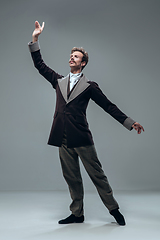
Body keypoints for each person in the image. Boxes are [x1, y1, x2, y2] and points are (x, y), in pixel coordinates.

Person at [28, 21, 144, 226]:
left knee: (97, 175)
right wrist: (35, 39)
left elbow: (109, 106)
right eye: (71, 55)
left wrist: (130, 122)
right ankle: (77, 213)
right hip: (61, 137)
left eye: (76, 56)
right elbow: (40, 65)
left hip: (81, 137)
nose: (72, 57)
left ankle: (114, 209)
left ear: (83, 63)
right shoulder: (59, 81)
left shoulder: (90, 86)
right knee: (72, 178)